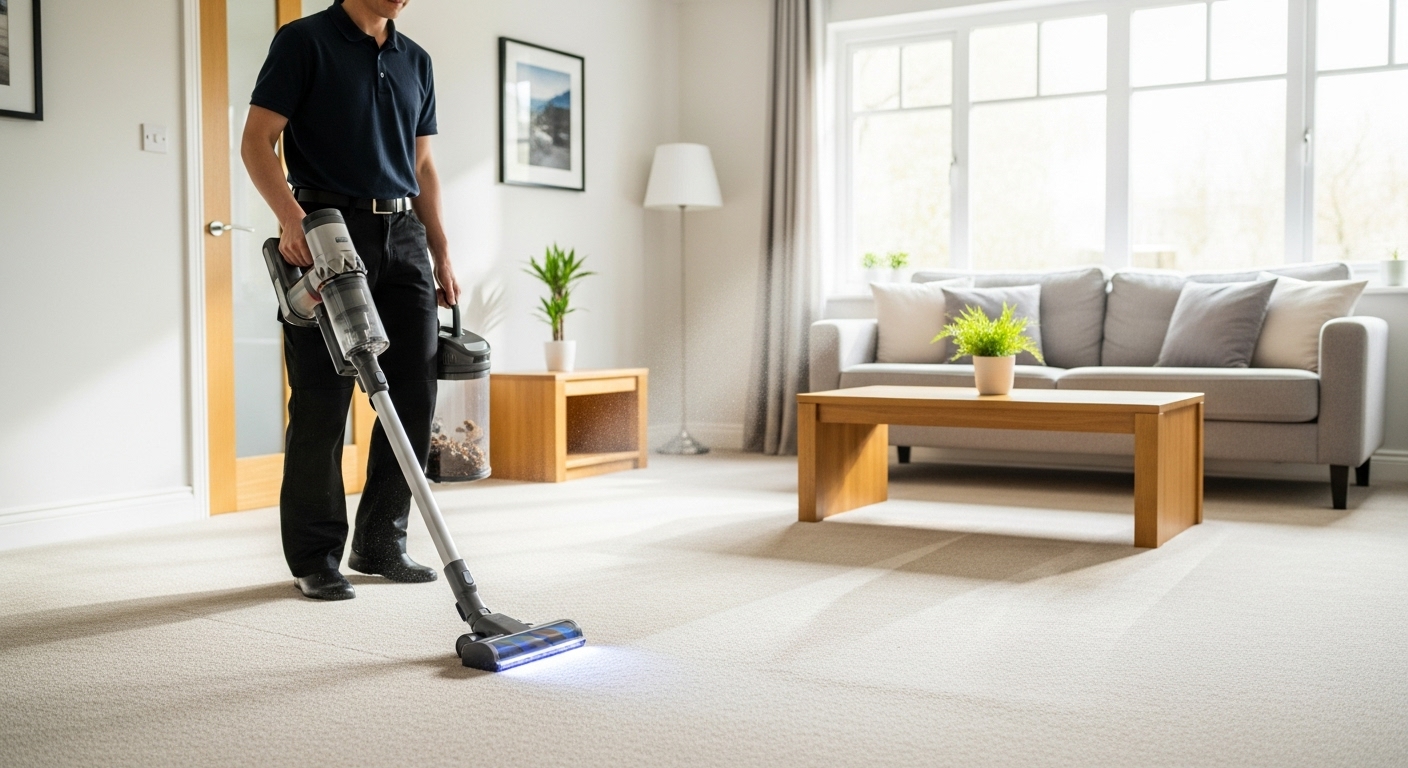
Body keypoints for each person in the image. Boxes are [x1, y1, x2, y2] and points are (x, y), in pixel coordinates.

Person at [241, 0, 459, 601]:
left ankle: (382, 541)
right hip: (328, 229)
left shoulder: (416, 59)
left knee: (415, 393)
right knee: (323, 395)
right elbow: (258, 140)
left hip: (405, 235)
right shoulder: (304, 41)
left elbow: (423, 165)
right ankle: (315, 555)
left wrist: (440, 252)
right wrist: (291, 220)